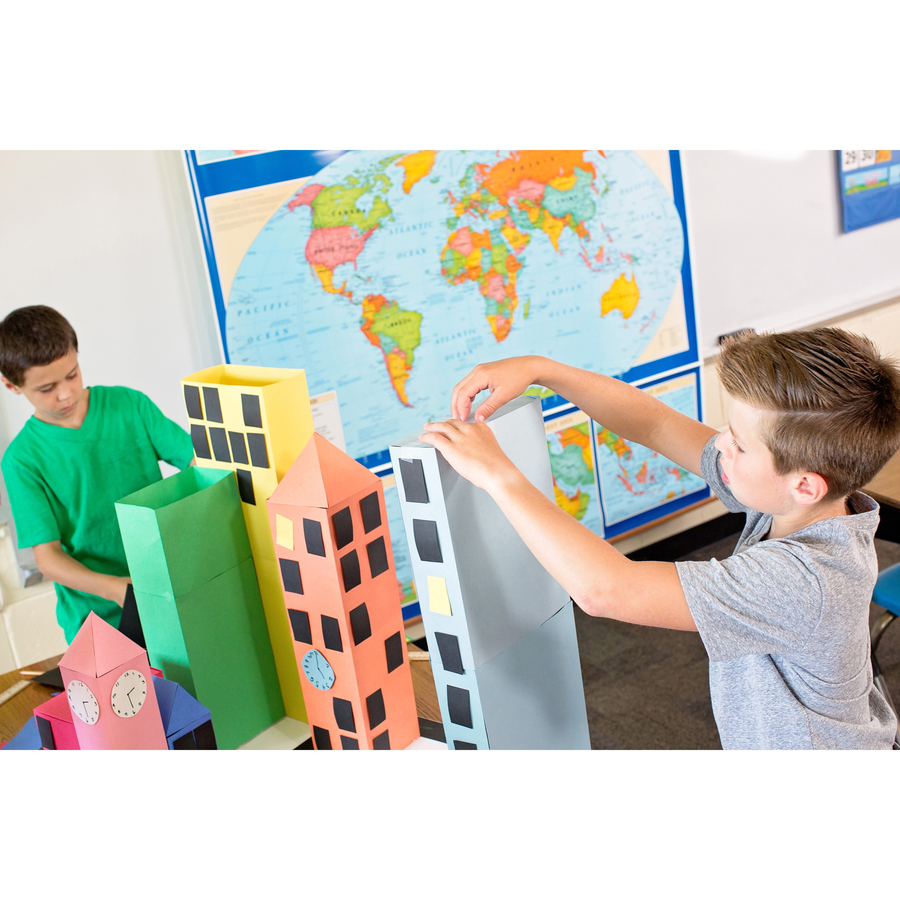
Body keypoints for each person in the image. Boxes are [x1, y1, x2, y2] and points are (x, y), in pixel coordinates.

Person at [420, 327, 900, 750]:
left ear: (805, 485)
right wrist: (544, 370)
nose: (721, 444)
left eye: (739, 444)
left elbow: (607, 590)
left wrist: (499, 475)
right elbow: (657, 425)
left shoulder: (803, 580)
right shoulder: (801, 504)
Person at [0, 306, 195, 643]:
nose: (66, 393)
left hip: (171, 592)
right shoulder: (21, 460)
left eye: (72, 374)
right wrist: (116, 589)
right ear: (12, 385)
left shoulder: (129, 405)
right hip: (98, 621)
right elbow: (48, 557)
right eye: (46, 388)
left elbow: (199, 464)